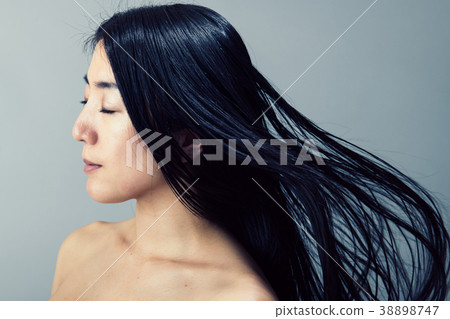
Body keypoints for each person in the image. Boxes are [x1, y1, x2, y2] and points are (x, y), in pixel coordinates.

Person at [50, 3, 449, 301]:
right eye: (83, 100)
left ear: (188, 134)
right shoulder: (80, 247)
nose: (79, 130)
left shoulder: (238, 301)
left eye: (108, 107)